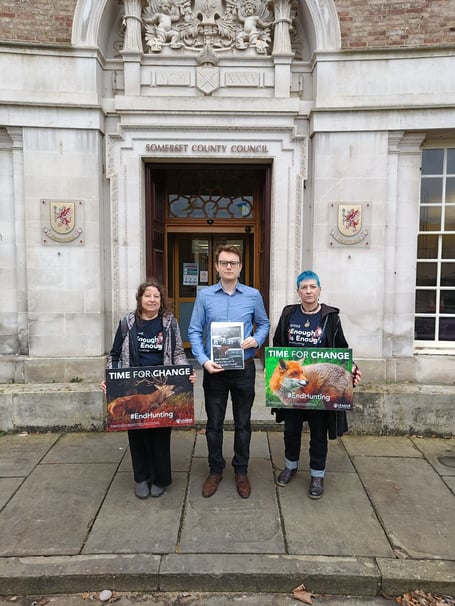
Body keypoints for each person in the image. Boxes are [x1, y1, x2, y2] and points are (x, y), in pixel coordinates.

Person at [188, 245, 270, 499]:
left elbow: (264, 323)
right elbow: (193, 330)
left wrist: (256, 340)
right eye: (224, 263)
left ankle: (241, 470)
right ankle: (215, 470)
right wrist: (202, 361)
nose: (228, 267)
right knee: (213, 425)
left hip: (243, 369)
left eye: (233, 263)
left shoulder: (253, 295)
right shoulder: (205, 296)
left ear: (240, 267)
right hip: (215, 370)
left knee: (243, 423)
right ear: (216, 266)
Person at [101, 279, 196, 500]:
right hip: (133, 387)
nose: (152, 300)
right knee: (137, 435)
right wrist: (110, 378)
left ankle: (161, 479)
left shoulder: (169, 322)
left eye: (156, 296)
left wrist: (185, 372)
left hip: (159, 385)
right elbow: (114, 355)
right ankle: (141, 477)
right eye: (147, 296)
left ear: (161, 300)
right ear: (140, 298)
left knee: (161, 434)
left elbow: (179, 353)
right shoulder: (127, 323)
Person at [272, 270, 361, 499]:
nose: (309, 291)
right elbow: (278, 345)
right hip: (294, 388)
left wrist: (352, 368)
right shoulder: (288, 314)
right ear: (298, 291)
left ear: (319, 289)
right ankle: (290, 466)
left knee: (318, 433)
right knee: (291, 430)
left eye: (313, 287)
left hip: (320, 387)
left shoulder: (331, 317)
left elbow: (341, 348)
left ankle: (317, 475)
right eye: (304, 287)